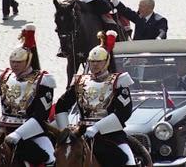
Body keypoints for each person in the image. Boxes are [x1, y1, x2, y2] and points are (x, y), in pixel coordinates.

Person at [0, 24, 56, 166]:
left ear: (28, 61)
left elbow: (41, 116)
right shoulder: (5, 77)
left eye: (19, 62)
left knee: (50, 158)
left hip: (32, 132)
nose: (14, 65)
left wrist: (18, 134)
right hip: (2, 129)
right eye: (13, 62)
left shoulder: (43, 81)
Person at [55, 31, 137, 167]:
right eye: (92, 62)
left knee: (128, 161)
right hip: (80, 134)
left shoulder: (118, 82)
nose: (94, 65)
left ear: (106, 61)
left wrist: (97, 128)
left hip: (110, 135)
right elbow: (61, 106)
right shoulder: (80, 82)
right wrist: (65, 131)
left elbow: (124, 112)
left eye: (99, 62)